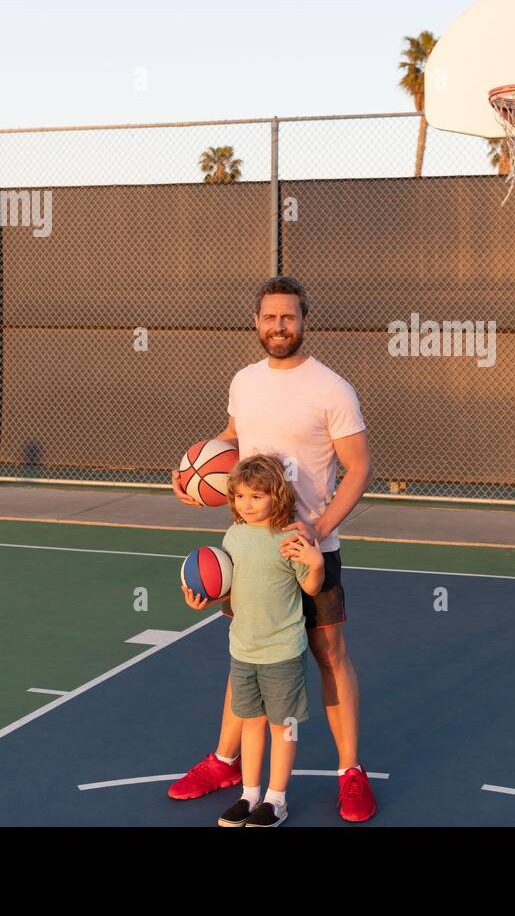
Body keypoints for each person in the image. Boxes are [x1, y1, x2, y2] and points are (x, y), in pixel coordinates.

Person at [169, 276, 377, 821]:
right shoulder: (244, 381)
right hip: (251, 549)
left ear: (305, 321)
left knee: (330, 654)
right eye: (269, 317)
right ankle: (225, 760)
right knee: (249, 652)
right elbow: (233, 438)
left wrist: (320, 525)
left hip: (310, 548)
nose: (278, 326)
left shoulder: (333, 389)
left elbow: (358, 468)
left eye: (288, 317)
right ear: (256, 323)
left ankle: (350, 771)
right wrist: (198, 479)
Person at [200, 454, 324, 827]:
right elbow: (229, 588)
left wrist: (316, 564)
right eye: (239, 497)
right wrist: (203, 595)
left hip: (282, 651)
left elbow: (310, 587)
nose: (246, 504)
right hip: (243, 649)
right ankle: (249, 794)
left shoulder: (289, 538)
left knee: (282, 725)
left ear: (277, 495)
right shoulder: (233, 536)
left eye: (256, 496)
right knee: (251, 722)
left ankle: (276, 799)